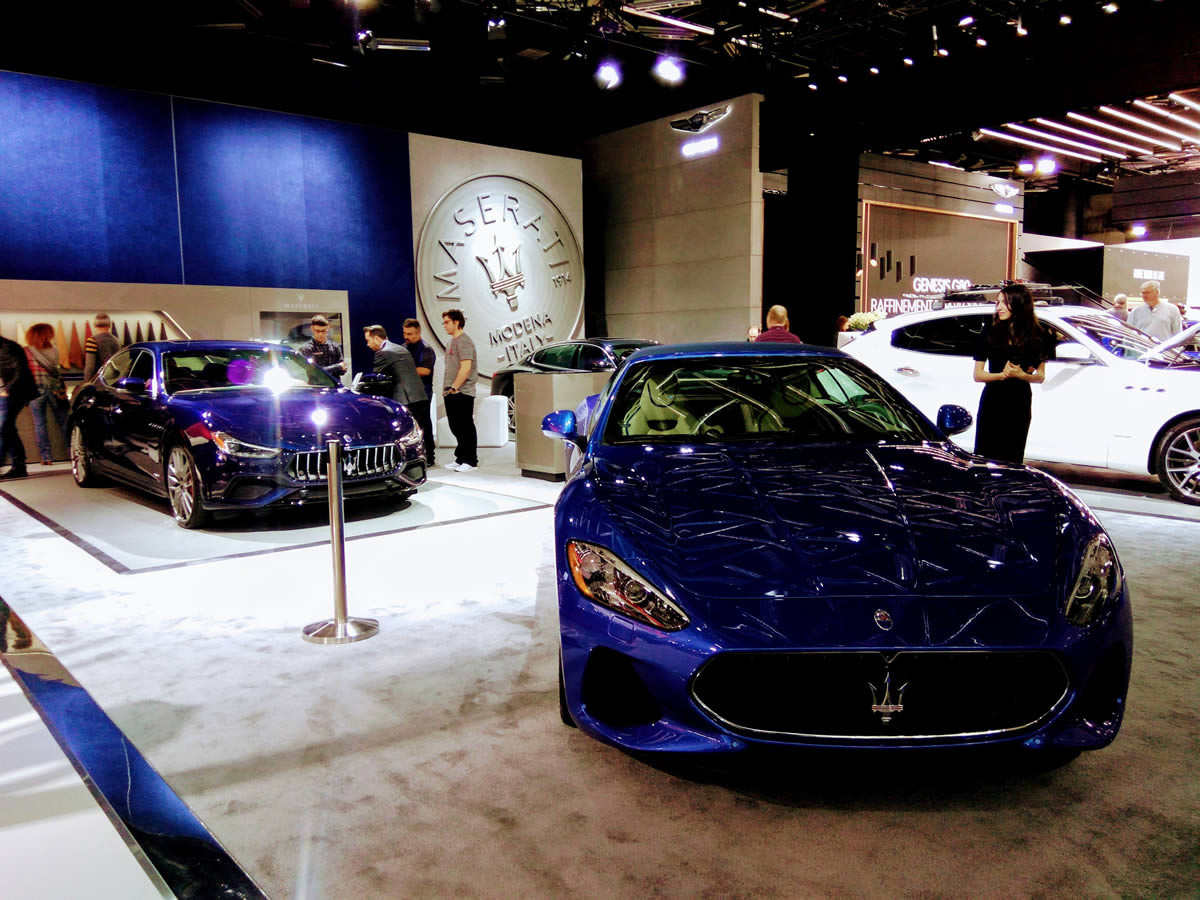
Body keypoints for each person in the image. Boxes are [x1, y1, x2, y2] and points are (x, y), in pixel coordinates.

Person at [972, 283, 1051, 465]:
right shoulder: (990, 332)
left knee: (1012, 458)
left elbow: (1040, 376)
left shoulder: (1038, 336)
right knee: (986, 457)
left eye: (1004, 303)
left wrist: (1022, 375)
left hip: (1019, 403)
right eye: (997, 302)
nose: (999, 307)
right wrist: (1002, 375)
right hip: (993, 401)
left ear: (1018, 304)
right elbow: (978, 374)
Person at [363, 325, 430, 461]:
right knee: (423, 430)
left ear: (376, 338)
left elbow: (376, 377)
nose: (368, 345)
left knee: (406, 433)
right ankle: (429, 458)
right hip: (420, 394)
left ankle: (411, 461)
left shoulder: (382, 353)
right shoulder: (401, 348)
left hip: (405, 398)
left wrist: (361, 388)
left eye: (368, 340)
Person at [24, 323, 70, 466]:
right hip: (54, 389)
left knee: (40, 423)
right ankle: (72, 452)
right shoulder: (54, 350)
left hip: (34, 390)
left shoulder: (25, 352)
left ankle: (46, 457)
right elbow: (55, 371)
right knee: (63, 421)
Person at [441, 309, 478, 472]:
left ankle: (471, 461)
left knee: (465, 426)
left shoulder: (464, 341)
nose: (444, 325)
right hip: (451, 391)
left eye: (447, 322)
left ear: (457, 322)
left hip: (462, 391)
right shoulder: (451, 342)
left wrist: (455, 387)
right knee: (455, 426)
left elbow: (466, 367)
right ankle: (461, 457)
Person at [0, 333, 37, 479]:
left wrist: (7, 390)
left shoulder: (9, 347)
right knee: (7, 429)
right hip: (7, 393)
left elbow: (19, 371)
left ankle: (15, 464)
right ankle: (19, 465)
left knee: (3, 427)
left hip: (15, 393)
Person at [402, 318, 437, 465]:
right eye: (405, 333)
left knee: (424, 425)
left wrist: (403, 368)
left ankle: (429, 456)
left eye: (410, 334)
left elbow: (425, 370)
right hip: (407, 394)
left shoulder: (426, 349)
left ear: (418, 332)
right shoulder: (404, 347)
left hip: (422, 394)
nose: (406, 336)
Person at [83, 312, 120, 381]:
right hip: (114, 379)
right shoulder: (116, 340)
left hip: (99, 381)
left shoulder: (92, 340)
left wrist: (86, 382)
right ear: (109, 325)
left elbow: (90, 366)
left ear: (95, 325)